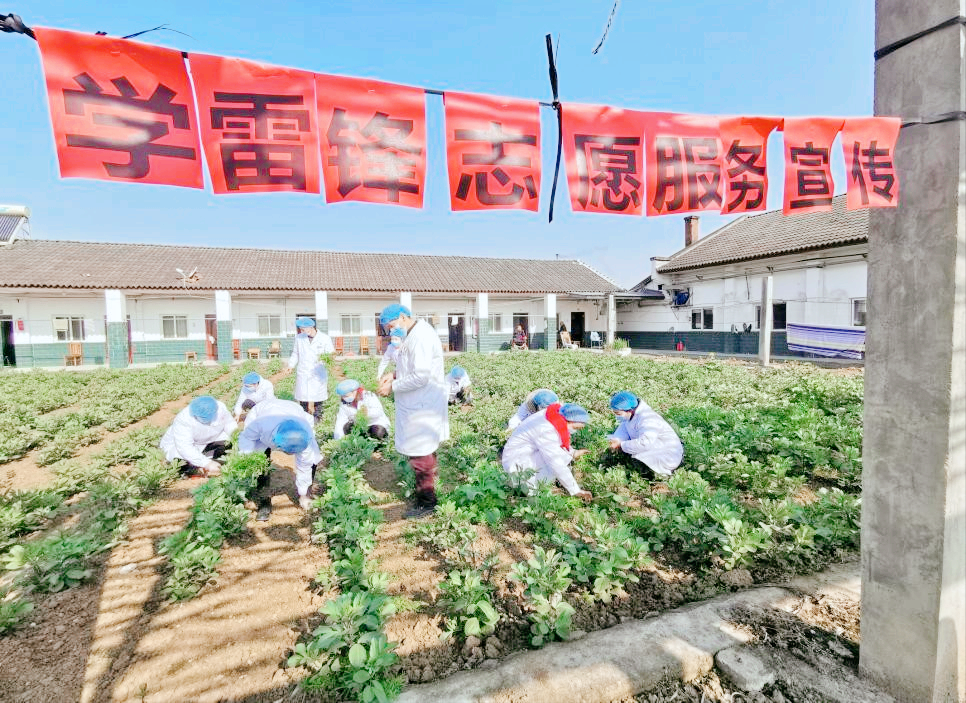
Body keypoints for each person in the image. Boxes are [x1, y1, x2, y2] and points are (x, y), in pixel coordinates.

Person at [377, 303, 449, 518]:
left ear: (402, 317)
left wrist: (393, 386)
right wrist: (395, 375)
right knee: (423, 450)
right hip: (416, 401)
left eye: (391, 325)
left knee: (420, 453)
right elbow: (410, 366)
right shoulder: (411, 333)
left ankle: (427, 503)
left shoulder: (421, 337)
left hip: (422, 403)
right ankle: (426, 489)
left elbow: (421, 376)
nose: (391, 331)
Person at [238, 397, 321, 519]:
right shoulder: (260, 425)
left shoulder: (305, 434)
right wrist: (247, 459)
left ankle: (306, 495)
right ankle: (264, 503)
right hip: (263, 413)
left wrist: (303, 494)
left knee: (312, 460)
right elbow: (247, 439)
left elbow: (304, 465)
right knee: (260, 464)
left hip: (293, 411)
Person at [501, 402, 592, 501]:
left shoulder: (557, 416)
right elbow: (555, 461)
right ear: (568, 421)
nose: (575, 431)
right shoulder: (546, 428)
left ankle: (537, 487)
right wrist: (575, 490)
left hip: (527, 453)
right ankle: (530, 493)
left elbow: (560, 440)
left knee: (561, 457)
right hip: (518, 461)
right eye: (576, 428)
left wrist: (573, 452)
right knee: (555, 461)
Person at [606, 390, 684, 478]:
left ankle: (660, 478)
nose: (617, 416)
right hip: (653, 447)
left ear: (629, 410)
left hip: (666, 454)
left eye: (618, 413)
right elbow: (624, 429)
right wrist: (617, 440)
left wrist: (621, 444)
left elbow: (645, 443)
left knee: (639, 460)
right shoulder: (630, 416)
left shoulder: (648, 419)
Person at [160, 396, 237, 478]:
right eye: (202, 417)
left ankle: (212, 464)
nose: (205, 419)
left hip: (211, 439)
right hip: (182, 446)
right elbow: (184, 447)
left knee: (228, 445)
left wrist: (237, 437)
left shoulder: (220, 408)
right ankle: (200, 469)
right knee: (179, 461)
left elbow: (230, 424)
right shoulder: (184, 419)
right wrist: (207, 463)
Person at [288, 317, 334, 425]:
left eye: (303, 329)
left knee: (318, 397)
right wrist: (291, 365)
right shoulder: (299, 338)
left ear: (311, 327)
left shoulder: (324, 338)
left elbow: (331, 353)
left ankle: (317, 420)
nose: (301, 332)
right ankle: (305, 419)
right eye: (300, 329)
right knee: (303, 397)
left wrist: (329, 358)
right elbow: (295, 353)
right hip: (303, 371)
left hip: (318, 372)